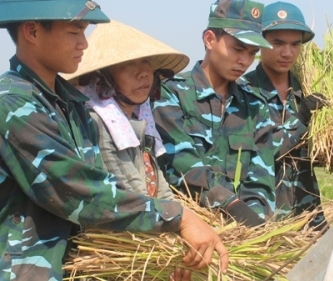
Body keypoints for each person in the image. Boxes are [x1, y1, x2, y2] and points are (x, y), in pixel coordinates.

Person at [0, 1, 227, 280]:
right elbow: (76, 189)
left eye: (84, 32)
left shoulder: (72, 106)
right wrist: (177, 217)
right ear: (32, 32)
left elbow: (107, 195)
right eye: (74, 33)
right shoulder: (12, 104)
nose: (83, 44)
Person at [154, 0, 276, 228]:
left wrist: (253, 224)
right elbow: (181, 165)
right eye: (238, 49)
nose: (244, 61)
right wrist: (233, 208)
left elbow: (262, 179)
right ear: (209, 39)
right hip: (182, 228)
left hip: (242, 231)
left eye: (252, 53)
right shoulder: (170, 94)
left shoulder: (255, 106)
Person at [63, 20, 189, 201]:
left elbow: (159, 186)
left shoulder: (141, 118)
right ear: (103, 78)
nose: (143, 73)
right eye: (127, 64)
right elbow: (132, 192)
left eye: (145, 61)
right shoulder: (99, 123)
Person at [243, 1, 326, 228]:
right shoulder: (242, 92)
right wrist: (300, 121)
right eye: (278, 43)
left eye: (295, 44)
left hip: (308, 212)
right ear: (260, 43)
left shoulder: (307, 90)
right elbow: (261, 150)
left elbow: (320, 155)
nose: (287, 52)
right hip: (261, 216)